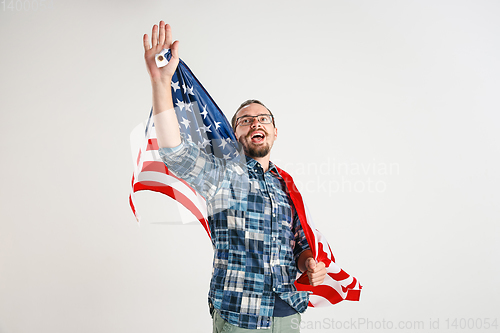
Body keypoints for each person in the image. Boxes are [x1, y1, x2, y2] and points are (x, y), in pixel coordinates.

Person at [143, 21, 327, 332]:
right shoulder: (223, 174)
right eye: (245, 120)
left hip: (288, 311)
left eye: (263, 118)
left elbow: (298, 243)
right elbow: (175, 153)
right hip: (240, 314)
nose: (256, 122)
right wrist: (161, 84)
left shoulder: (286, 184)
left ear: (274, 131)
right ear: (237, 133)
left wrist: (308, 262)